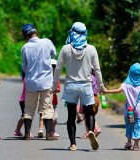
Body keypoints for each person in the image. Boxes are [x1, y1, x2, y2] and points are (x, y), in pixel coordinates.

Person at [52, 22, 106, 151]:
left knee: (71, 116)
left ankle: (73, 144)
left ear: (72, 32)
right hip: (86, 85)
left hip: (70, 86)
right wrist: (100, 86)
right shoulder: (91, 49)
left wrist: (54, 86)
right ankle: (91, 131)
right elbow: (97, 69)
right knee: (89, 114)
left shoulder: (66, 48)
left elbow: (58, 68)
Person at [21, 24, 58, 140]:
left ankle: (27, 134)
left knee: (29, 109)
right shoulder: (47, 42)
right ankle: (48, 135)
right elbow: (54, 55)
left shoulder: (25, 48)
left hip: (31, 82)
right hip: (46, 82)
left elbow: (25, 68)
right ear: (36, 32)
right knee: (47, 108)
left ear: (26, 37)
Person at [103, 63, 140, 151]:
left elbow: (117, 91)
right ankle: (136, 145)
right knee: (138, 127)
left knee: (129, 126)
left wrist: (106, 91)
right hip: (139, 111)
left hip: (129, 111)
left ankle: (129, 142)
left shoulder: (126, 85)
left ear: (130, 73)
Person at [38, 59, 61, 138]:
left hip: (54, 101)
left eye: (54, 66)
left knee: (54, 118)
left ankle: (52, 130)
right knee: (42, 115)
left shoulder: (56, 79)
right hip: (44, 100)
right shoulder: (43, 78)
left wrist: (54, 88)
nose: (53, 68)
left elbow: (58, 89)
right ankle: (41, 129)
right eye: (51, 66)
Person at [79, 68, 101, 138]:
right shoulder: (95, 77)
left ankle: (88, 132)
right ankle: (97, 128)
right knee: (91, 115)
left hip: (89, 98)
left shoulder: (88, 78)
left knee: (86, 116)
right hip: (96, 98)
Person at [13, 65, 34, 138]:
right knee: (27, 116)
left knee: (23, 115)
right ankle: (27, 132)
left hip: (22, 100)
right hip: (25, 100)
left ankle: (17, 130)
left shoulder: (25, 78)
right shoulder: (27, 79)